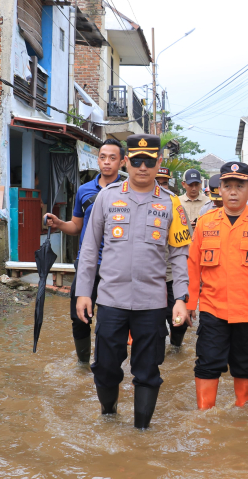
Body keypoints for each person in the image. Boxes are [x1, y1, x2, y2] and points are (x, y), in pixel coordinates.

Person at [74, 134, 192, 429]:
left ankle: (141, 433)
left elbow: (179, 255)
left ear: (158, 163)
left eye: (149, 161)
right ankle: (109, 417)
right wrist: (83, 292)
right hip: (111, 300)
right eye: (136, 161)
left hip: (151, 303)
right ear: (126, 161)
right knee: (105, 366)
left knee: (148, 369)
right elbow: (90, 248)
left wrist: (181, 299)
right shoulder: (107, 196)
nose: (142, 167)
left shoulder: (172, 204)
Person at [187, 162, 248, 409]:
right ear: (219, 189)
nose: (232, 191)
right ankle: (205, 415)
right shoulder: (206, 223)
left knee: (246, 363)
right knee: (207, 362)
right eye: (227, 186)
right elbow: (193, 266)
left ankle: (242, 410)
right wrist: (189, 304)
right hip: (212, 309)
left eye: (240, 186)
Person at [44, 138, 124, 364]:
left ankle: (108, 364)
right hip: (87, 263)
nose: (107, 162)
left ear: (122, 162)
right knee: (79, 317)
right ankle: (82, 364)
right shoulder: (84, 190)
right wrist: (59, 224)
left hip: (116, 265)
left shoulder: (127, 191)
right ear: (97, 160)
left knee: (112, 318)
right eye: (103, 157)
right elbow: (77, 226)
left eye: (112, 158)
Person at [156, 167, 190, 348]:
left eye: (164, 183)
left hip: (171, 275)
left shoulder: (176, 206)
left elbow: (185, 247)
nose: (160, 186)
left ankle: (176, 347)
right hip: (151, 277)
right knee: (153, 322)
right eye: (158, 182)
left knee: (178, 320)